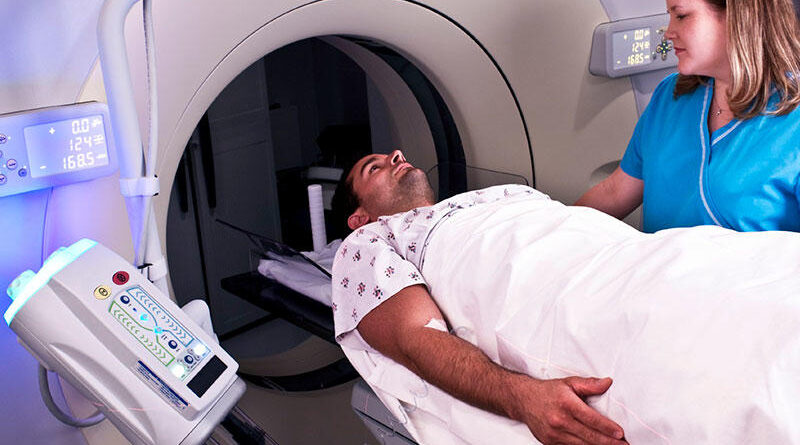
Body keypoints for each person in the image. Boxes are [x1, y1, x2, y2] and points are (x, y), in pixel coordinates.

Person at [331, 150, 800, 445]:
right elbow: (416, 338)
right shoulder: (368, 244)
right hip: (570, 298)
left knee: (754, 276)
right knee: (736, 354)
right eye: (374, 167)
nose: (395, 155)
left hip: (631, 256)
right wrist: (522, 398)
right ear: (358, 217)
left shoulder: (491, 197)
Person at [575, 0, 800, 232]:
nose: (668, 33)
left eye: (681, 16)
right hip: (660, 256)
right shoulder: (670, 97)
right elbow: (615, 192)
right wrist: (557, 231)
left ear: (739, 17)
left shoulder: (793, 122)